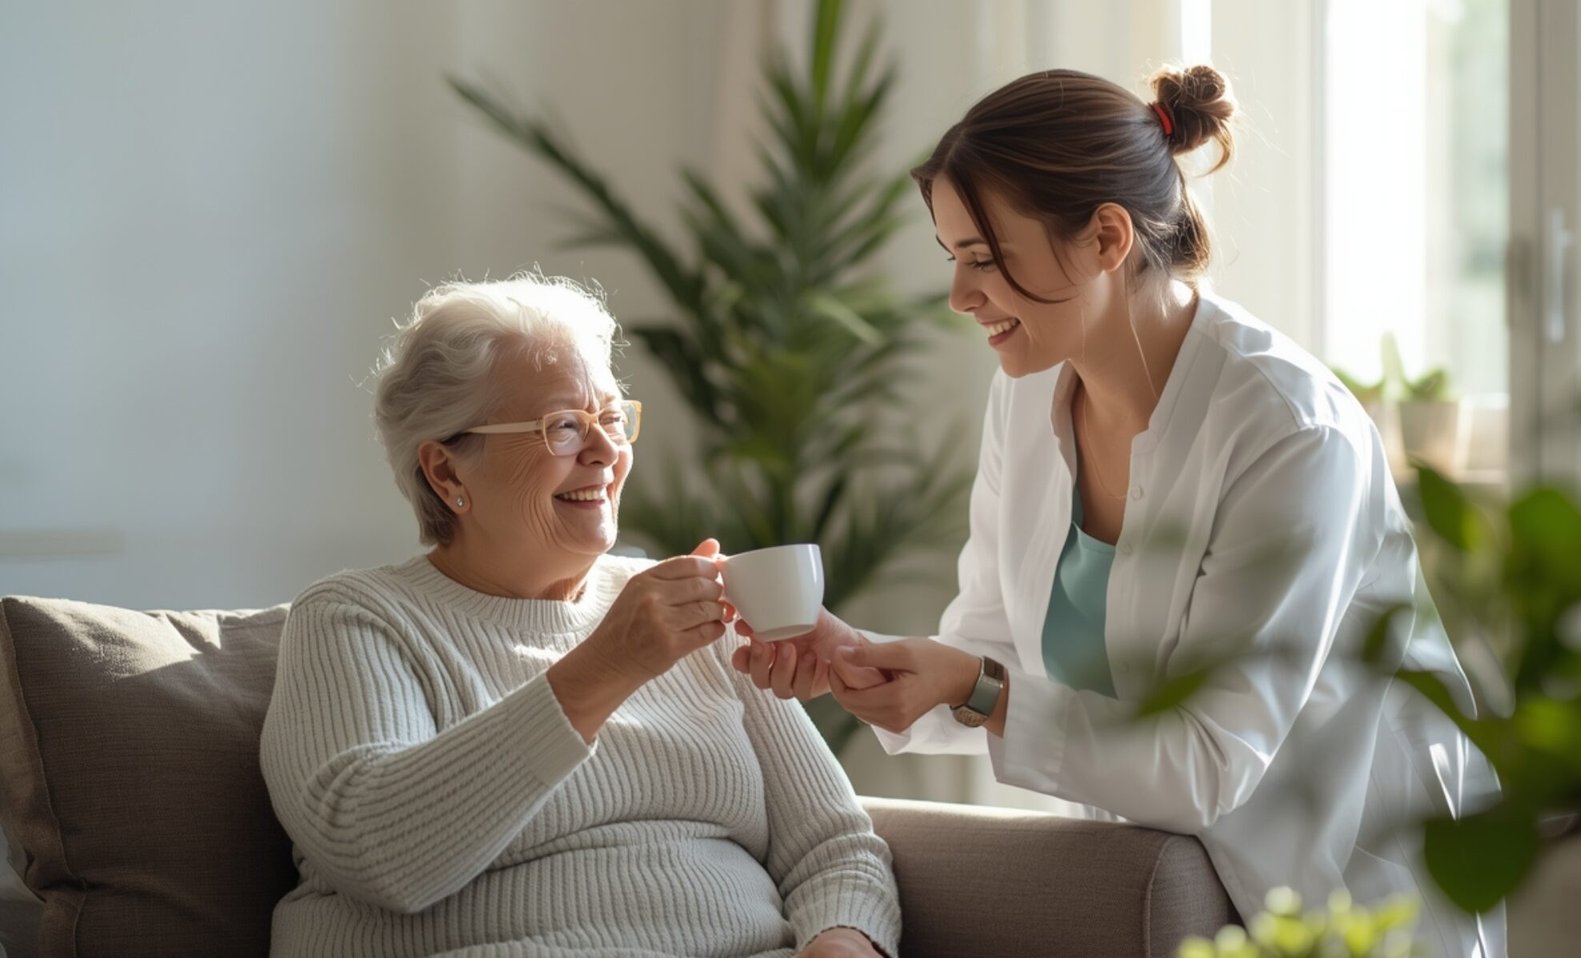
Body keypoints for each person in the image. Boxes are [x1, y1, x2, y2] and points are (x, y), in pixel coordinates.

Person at [731, 66, 1504, 957]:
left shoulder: (1290, 433)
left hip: (1347, 905)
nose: (960, 297)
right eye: (955, 260)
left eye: (984, 259)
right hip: (1168, 894)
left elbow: (1208, 759)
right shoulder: (1024, 400)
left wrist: (972, 687)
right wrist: (866, 667)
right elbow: (995, 652)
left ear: (1105, 236)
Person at [259, 275, 899, 958]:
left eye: (613, 417)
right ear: (447, 474)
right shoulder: (357, 619)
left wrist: (842, 944)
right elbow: (377, 854)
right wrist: (604, 668)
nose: (605, 452)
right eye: (563, 426)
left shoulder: (690, 608)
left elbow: (836, 847)